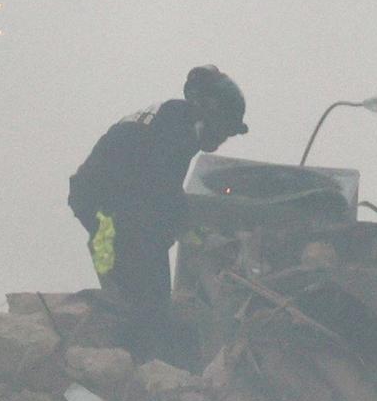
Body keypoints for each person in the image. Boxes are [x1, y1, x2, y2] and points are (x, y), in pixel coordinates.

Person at [68, 65, 248, 363]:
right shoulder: (178, 129)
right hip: (107, 207)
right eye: (224, 130)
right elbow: (163, 193)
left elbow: (157, 196)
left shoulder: (173, 117)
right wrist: (199, 235)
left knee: (134, 278)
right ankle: (138, 361)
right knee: (149, 294)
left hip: (102, 202)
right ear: (209, 115)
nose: (221, 140)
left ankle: (130, 344)